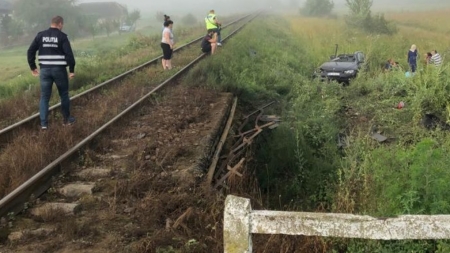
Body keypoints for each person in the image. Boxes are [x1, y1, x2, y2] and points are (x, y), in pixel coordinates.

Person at [27, 16, 76, 130]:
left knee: (44, 97)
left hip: (44, 71)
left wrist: (33, 66)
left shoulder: (40, 35)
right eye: (62, 25)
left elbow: (30, 51)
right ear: (59, 24)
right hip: (59, 70)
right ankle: (67, 120)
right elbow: (69, 55)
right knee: (63, 94)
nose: (62, 26)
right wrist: (72, 70)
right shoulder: (62, 36)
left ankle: (44, 125)